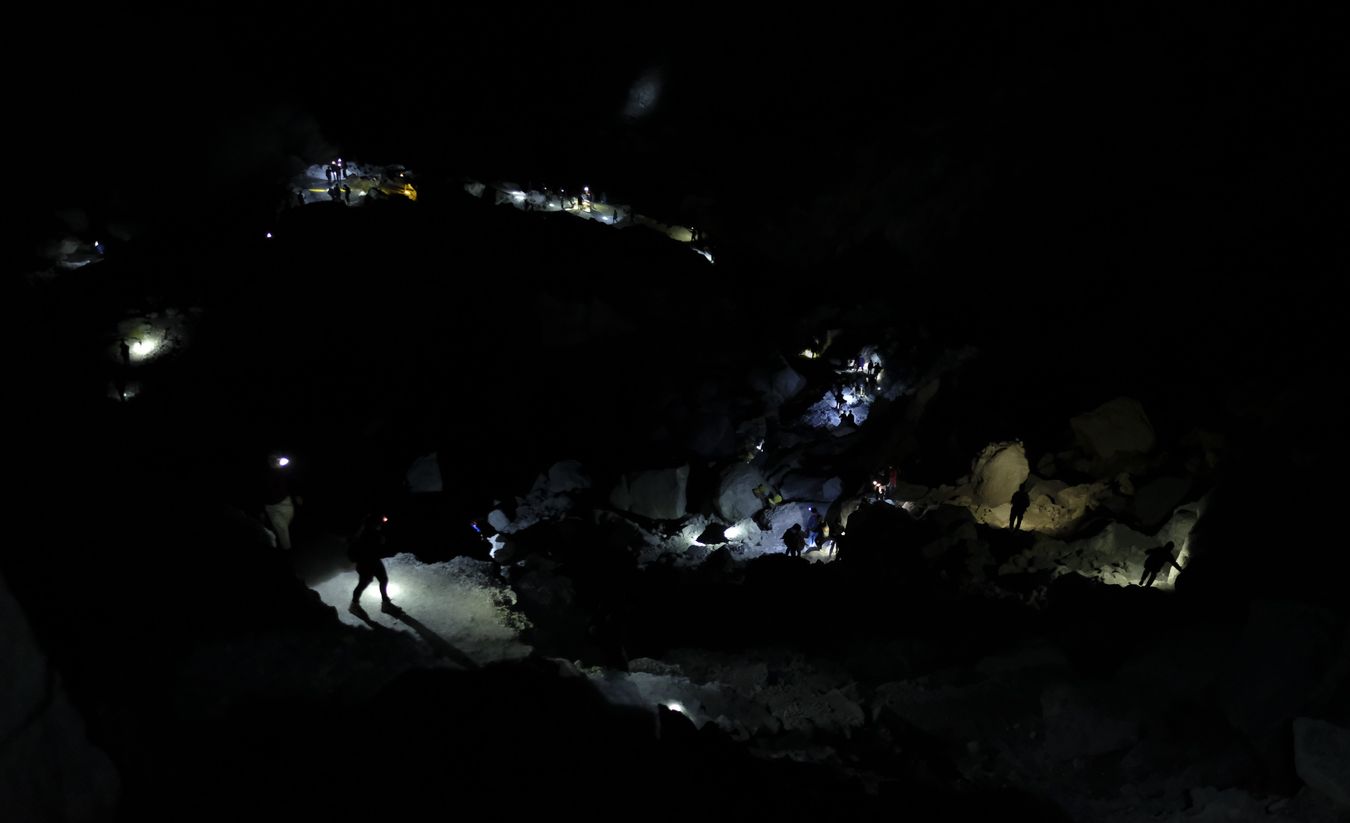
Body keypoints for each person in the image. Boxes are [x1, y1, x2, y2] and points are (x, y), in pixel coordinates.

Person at [350, 514, 398, 612]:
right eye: (378, 522)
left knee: (383, 580)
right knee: (363, 583)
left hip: (374, 561)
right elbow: (369, 547)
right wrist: (379, 541)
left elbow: (378, 547)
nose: (380, 524)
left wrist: (380, 540)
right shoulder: (365, 534)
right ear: (372, 524)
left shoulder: (373, 532)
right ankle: (354, 605)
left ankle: (385, 603)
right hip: (365, 563)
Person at [262, 456, 299, 550]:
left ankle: (277, 534)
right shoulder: (264, 474)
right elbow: (259, 492)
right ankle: (287, 551)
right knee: (282, 529)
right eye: (272, 459)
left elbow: (292, 481)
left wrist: (296, 495)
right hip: (272, 507)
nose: (275, 461)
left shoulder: (283, 470)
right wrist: (260, 510)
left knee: (285, 527)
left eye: (276, 459)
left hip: (286, 503)